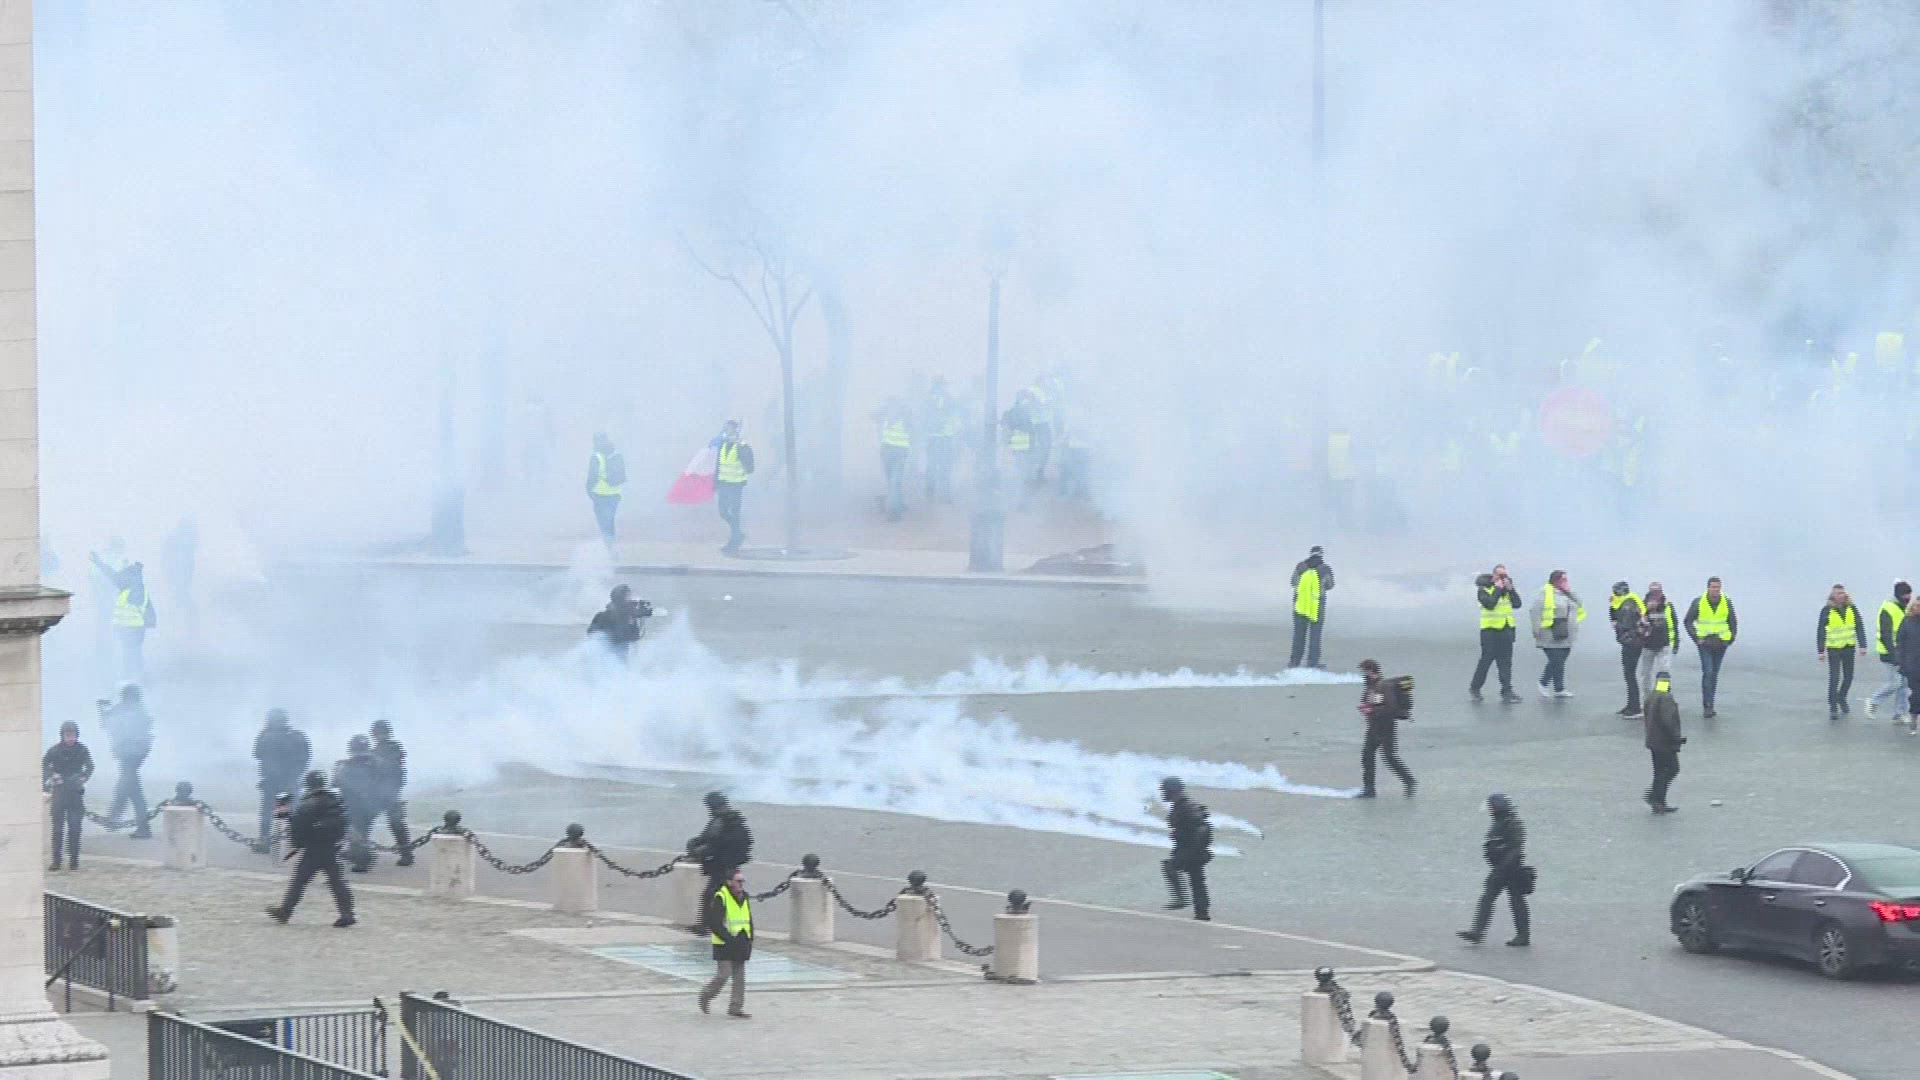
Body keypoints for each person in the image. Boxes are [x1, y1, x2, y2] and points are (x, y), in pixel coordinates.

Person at [267, 771, 355, 928]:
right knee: (337, 881)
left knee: (299, 881)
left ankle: (285, 911)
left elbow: (299, 826)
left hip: (315, 848)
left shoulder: (309, 802)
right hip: (331, 846)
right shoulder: (334, 799)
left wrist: (287, 818)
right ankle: (347, 914)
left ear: (308, 784)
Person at [1457, 793, 1531, 947]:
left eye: (1491, 807)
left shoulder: (1512, 823)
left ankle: (1522, 935)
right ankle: (1478, 931)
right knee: (1490, 898)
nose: (1489, 810)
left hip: (1510, 869)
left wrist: (1503, 867)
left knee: (1515, 900)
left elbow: (1516, 848)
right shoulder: (1501, 822)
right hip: (1501, 867)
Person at [687, 792, 754, 918]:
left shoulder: (724, 821)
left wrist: (697, 851)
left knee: (715, 894)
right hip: (726, 863)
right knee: (717, 894)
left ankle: (711, 924)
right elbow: (709, 839)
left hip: (725, 864)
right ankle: (710, 923)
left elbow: (714, 842)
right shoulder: (729, 820)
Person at [253, 708, 312, 852]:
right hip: (288, 780)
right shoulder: (296, 736)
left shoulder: (266, 736)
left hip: (273, 781)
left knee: (269, 812)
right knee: (284, 812)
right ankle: (288, 839)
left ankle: (266, 840)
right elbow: (305, 758)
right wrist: (296, 774)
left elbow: (257, 753)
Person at [99, 684, 153, 838]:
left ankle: (136, 825)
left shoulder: (131, 711)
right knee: (128, 786)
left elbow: (108, 724)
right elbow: (108, 723)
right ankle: (115, 819)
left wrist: (103, 709)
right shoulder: (136, 710)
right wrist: (103, 710)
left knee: (130, 787)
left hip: (130, 753)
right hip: (133, 752)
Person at [698, 868, 754, 1018]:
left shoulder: (744, 897)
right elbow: (714, 923)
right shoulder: (721, 897)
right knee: (723, 975)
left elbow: (748, 919)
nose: (741, 883)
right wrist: (729, 939)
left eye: (742, 881)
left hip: (741, 941)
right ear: (729, 882)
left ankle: (735, 1008)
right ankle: (706, 995)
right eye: (738, 881)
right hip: (724, 943)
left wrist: (750, 939)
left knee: (739, 977)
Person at [1357, 660, 1416, 798]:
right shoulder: (1372, 686)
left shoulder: (1383, 686)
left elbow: (1390, 707)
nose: (1362, 674)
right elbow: (1376, 703)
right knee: (1368, 756)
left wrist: (1371, 710)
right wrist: (1369, 709)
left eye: (1364, 671)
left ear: (1371, 671)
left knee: (1389, 757)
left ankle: (1409, 781)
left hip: (1385, 727)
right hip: (1374, 727)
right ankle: (1369, 789)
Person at [1683, 576, 1738, 718]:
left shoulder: (1726, 602)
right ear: (1708, 588)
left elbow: (1733, 622)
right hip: (1705, 643)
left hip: (1720, 643)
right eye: (1713, 587)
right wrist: (1696, 638)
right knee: (1708, 672)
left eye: (1718, 587)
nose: (1715, 590)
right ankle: (1707, 706)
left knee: (1714, 674)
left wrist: (1730, 639)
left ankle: (1711, 703)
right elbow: (1688, 621)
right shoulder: (1698, 602)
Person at [1158, 777, 1212, 921]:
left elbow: (1202, 829)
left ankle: (1181, 899)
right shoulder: (1179, 806)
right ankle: (1202, 913)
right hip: (1189, 848)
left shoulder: (1187, 806)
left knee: (1171, 867)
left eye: (1165, 791)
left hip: (1192, 849)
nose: (1163, 793)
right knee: (1197, 881)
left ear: (1172, 791)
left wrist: (1193, 850)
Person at [42, 721, 93, 872]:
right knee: (57, 829)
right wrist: (53, 775)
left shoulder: (82, 750)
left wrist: (83, 777)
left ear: (76, 735)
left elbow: (90, 766)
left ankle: (74, 860)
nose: (70, 738)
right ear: (63, 735)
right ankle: (56, 861)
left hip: (75, 793)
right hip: (59, 792)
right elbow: (44, 765)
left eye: (73, 735)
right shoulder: (55, 750)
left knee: (75, 827)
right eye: (67, 735)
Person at [1469, 564, 1523, 703]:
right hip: (1490, 631)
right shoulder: (1483, 589)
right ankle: (1475, 688)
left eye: (1505, 575)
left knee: (1505, 663)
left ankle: (1507, 691)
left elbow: (1517, 604)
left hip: (1506, 630)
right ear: (1494, 576)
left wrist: (1511, 590)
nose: (1503, 578)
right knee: (1486, 661)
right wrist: (1498, 589)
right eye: (1500, 575)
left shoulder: (1507, 590)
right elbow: (1490, 604)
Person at [1816, 583, 1867, 719]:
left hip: (1848, 647)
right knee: (1835, 677)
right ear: (1832, 596)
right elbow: (1821, 631)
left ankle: (1841, 697)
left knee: (1849, 676)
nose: (1841, 595)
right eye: (1838, 593)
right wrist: (1821, 650)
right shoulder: (1827, 610)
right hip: (1834, 648)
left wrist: (1863, 645)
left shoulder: (1852, 608)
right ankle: (1833, 706)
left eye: (1842, 593)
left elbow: (1859, 626)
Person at [332, 735, 381, 873]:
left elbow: (335, 783)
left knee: (357, 832)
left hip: (353, 804)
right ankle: (356, 854)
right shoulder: (376, 764)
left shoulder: (344, 766)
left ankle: (362, 860)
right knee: (362, 831)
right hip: (370, 804)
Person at [1866, 580, 1912, 721]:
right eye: (1905, 595)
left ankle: (1900, 713)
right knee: (1896, 683)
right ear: (1899, 595)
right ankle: (1873, 701)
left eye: (1909, 594)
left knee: (1904, 684)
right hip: (1890, 653)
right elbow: (1885, 635)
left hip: (1903, 652)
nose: (1908, 598)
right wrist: (1894, 656)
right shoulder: (1888, 608)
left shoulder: (1904, 608)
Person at [1534, 570, 1585, 699]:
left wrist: (1569, 591)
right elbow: (1535, 612)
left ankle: (1559, 688)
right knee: (1556, 660)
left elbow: (1579, 603)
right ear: (1556, 581)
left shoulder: (1567, 593)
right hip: (1549, 634)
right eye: (1563, 580)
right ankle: (1543, 683)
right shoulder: (1545, 593)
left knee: (1561, 661)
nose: (1566, 582)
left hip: (1566, 634)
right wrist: (1536, 631)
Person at [369, 719, 413, 867]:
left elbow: (390, 768)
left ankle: (406, 854)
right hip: (381, 791)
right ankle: (358, 851)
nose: (379, 736)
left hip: (389, 791)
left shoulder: (393, 748)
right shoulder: (378, 750)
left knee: (396, 823)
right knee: (363, 820)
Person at [1643, 670, 1684, 813]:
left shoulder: (1651, 696)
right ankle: (1655, 797)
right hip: (1664, 742)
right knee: (1672, 769)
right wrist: (1676, 738)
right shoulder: (1666, 698)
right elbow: (1669, 721)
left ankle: (1658, 800)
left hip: (1653, 740)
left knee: (1659, 771)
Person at [713, 421, 755, 554]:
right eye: (725, 428)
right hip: (724, 484)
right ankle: (737, 534)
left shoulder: (742, 446)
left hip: (736, 485)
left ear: (736, 431)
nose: (726, 431)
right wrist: (716, 483)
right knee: (723, 512)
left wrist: (742, 451)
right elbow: (719, 465)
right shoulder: (723, 444)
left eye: (729, 429)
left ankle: (734, 541)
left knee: (735, 513)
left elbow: (750, 467)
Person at [1289, 546, 1334, 669]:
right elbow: (1330, 585)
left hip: (1300, 606)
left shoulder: (1300, 567)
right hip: (1316, 607)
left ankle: (1294, 662)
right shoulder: (1325, 569)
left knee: (1298, 635)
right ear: (1321, 555)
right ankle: (1312, 663)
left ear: (1310, 554)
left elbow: (1293, 582)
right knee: (1315, 636)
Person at [1636, 582, 1677, 709]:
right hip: (1647, 645)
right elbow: (1637, 624)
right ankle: (1646, 702)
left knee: (1663, 673)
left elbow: (1674, 624)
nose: (1655, 595)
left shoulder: (1667, 605)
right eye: (1653, 592)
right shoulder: (1642, 605)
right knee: (1645, 675)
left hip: (1664, 645)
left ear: (1661, 592)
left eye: (1657, 592)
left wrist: (1675, 643)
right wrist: (1646, 611)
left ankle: (1662, 699)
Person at [1607, 581, 1644, 717]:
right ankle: (1631, 704)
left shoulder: (1628, 604)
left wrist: (1618, 628)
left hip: (1631, 642)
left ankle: (1635, 708)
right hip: (1631, 641)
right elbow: (1615, 618)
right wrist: (1612, 606)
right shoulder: (1625, 602)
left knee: (1630, 675)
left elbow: (1625, 625)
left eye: (1615, 591)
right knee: (1629, 675)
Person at [586, 585, 652, 660]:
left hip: (616, 658)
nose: (631, 601)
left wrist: (632, 619)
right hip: (609, 657)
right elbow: (627, 637)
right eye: (628, 597)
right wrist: (630, 620)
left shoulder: (626, 616)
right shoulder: (605, 616)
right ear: (620, 600)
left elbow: (634, 637)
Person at [923, 378, 961, 505]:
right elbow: (956, 420)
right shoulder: (949, 400)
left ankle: (932, 494)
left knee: (934, 467)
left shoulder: (928, 400)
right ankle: (943, 495)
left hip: (935, 438)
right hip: (943, 439)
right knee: (943, 468)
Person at [585, 432, 625, 552]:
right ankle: (611, 544)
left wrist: (589, 491)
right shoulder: (616, 454)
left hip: (600, 494)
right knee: (610, 520)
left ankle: (609, 546)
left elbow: (592, 477)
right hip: (615, 494)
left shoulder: (596, 456)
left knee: (603, 521)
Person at [878, 398, 912, 521]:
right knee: (895, 481)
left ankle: (896, 504)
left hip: (887, 451)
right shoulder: (905, 418)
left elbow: (873, 416)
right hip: (899, 452)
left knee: (892, 481)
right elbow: (913, 432)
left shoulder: (884, 417)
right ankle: (894, 510)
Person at [1896, 596, 1920, 735]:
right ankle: (1913, 717)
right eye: (1917, 606)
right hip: (1913, 666)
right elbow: (1900, 642)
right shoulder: (1907, 622)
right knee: (1916, 694)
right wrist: (1901, 662)